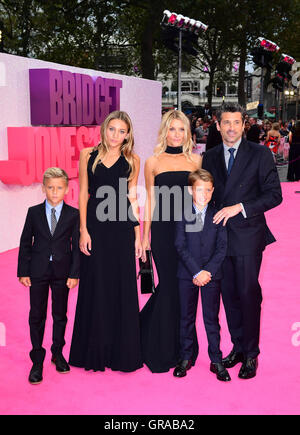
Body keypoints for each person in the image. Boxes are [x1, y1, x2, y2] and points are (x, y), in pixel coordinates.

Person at [202, 103, 282, 379]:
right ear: (218, 125)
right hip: (220, 239)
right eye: (226, 122)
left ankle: (251, 354)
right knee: (229, 296)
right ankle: (237, 347)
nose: (232, 128)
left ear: (244, 124)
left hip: (248, 236)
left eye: (237, 122)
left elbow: (274, 195)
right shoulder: (210, 157)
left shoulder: (260, 154)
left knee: (248, 295)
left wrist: (241, 207)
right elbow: (208, 197)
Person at [69, 111, 143, 372]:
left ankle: (121, 353)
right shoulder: (88, 155)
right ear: (104, 129)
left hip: (122, 231)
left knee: (121, 287)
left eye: (121, 131)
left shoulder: (133, 159)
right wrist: (83, 230)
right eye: (112, 129)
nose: (116, 135)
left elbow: (131, 199)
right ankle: (94, 351)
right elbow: (82, 195)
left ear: (127, 135)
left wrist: (138, 235)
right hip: (96, 230)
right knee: (96, 285)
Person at [140, 110, 202, 373]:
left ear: (187, 133)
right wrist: (145, 238)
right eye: (171, 129)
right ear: (164, 131)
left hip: (189, 231)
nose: (176, 134)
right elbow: (150, 202)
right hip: (163, 232)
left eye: (181, 129)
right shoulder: (152, 162)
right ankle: (161, 345)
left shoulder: (196, 160)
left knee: (184, 288)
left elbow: (201, 198)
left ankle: (182, 345)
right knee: (168, 285)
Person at [17, 167, 80, 385]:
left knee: (60, 314)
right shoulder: (33, 212)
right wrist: (23, 271)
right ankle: (37, 359)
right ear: (43, 188)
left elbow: (76, 247)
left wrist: (74, 273)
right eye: (50, 188)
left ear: (67, 189)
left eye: (59, 188)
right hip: (37, 271)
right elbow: (26, 243)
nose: (54, 192)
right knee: (37, 315)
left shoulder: (73, 214)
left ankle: (57, 352)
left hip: (62, 273)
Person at [173, 169, 229, 381]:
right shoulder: (182, 214)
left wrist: (208, 272)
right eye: (199, 190)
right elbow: (180, 245)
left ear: (212, 191)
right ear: (190, 191)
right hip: (187, 275)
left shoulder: (218, 215)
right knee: (186, 318)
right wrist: (196, 271)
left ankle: (216, 359)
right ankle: (185, 357)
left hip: (211, 277)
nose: (203, 194)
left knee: (211, 318)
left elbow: (222, 248)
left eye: (207, 190)